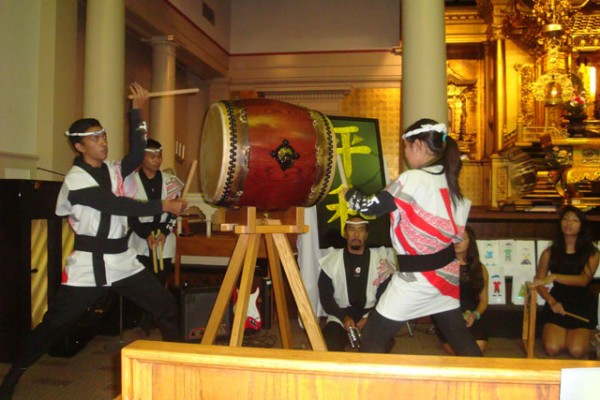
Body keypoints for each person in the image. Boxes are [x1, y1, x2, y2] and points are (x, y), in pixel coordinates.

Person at [0, 83, 188, 400]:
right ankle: (14, 375)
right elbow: (114, 205)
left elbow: (137, 154)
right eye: (94, 138)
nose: (102, 142)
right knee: (54, 326)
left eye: (103, 136)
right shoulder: (75, 181)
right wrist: (163, 206)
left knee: (166, 306)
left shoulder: (114, 170)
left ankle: (179, 365)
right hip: (89, 264)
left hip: (123, 260)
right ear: (79, 147)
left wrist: (138, 112)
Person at [344, 118, 482, 356]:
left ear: (418, 145)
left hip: (417, 278)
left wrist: (349, 194)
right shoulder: (448, 179)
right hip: (445, 274)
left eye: (406, 148)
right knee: (459, 338)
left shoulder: (412, 179)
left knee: (372, 338)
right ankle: (487, 386)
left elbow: (368, 207)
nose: (406, 155)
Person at [128, 138, 183, 334]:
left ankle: (156, 319)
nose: (157, 160)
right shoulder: (130, 182)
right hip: (141, 239)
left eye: (159, 156)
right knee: (144, 282)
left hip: (164, 238)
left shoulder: (171, 181)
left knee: (159, 281)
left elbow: (174, 212)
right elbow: (129, 213)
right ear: (142, 157)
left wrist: (164, 232)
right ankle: (146, 317)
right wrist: (146, 234)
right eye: (152, 156)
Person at [318, 216, 396, 352]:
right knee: (328, 345)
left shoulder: (381, 262)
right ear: (345, 234)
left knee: (380, 345)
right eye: (351, 229)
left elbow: (386, 298)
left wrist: (369, 319)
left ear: (366, 235)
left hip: (369, 315)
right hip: (340, 316)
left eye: (360, 230)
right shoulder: (331, 262)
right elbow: (326, 298)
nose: (356, 234)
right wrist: (344, 318)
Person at [531, 205, 599, 359]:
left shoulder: (592, 253)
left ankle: (589, 335)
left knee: (576, 350)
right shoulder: (549, 252)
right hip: (557, 301)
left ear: (581, 226)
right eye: (565, 219)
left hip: (581, 304)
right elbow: (539, 282)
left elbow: (583, 280)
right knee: (552, 348)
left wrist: (555, 276)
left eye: (575, 220)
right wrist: (551, 301)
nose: (569, 223)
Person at [435, 225, 489, 354]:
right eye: (454, 239)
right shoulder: (442, 265)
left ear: (470, 243)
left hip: (471, 313)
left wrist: (474, 315)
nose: (457, 242)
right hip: (447, 312)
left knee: (479, 346)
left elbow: (484, 301)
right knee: (458, 350)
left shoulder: (480, 268)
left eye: (462, 239)